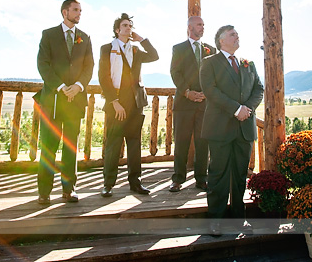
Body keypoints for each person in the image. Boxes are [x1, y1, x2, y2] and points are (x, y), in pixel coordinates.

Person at [200, 25, 263, 228]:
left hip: (245, 128)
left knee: (239, 175)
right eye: (232, 34)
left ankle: (238, 218)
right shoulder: (209, 63)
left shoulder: (248, 63)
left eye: (237, 34)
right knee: (218, 175)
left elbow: (259, 89)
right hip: (220, 127)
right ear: (221, 41)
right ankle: (215, 221)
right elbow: (210, 90)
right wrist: (236, 109)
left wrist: (247, 109)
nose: (237, 36)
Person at [35, 0, 94, 205]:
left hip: (75, 100)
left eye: (80, 10)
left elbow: (89, 67)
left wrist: (78, 86)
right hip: (53, 99)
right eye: (75, 10)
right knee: (49, 147)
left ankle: (69, 190)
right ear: (64, 12)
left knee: (71, 148)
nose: (79, 13)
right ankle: (44, 192)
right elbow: (43, 65)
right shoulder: (48, 34)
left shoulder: (85, 38)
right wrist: (60, 87)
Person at [98, 13, 159, 197]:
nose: (128, 28)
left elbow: (155, 56)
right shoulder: (107, 49)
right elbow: (103, 76)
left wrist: (142, 40)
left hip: (135, 102)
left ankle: (135, 182)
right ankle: (108, 184)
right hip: (116, 101)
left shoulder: (136, 50)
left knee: (134, 144)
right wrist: (114, 102)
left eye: (130, 25)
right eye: (125, 25)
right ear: (117, 30)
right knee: (113, 144)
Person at [169, 16, 213, 192]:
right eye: (199, 24)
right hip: (184, 104)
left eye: (203, 24)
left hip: (204, 104)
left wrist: (206, 93)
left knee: (203, 143)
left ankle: (201, 179)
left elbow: (213, 74)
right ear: (189, 27)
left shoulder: (211, 49)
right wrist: (187, 92)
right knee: (181, 142)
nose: (202, 27)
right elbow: (175, 72)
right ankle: (178, 179)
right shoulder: (178, 49)